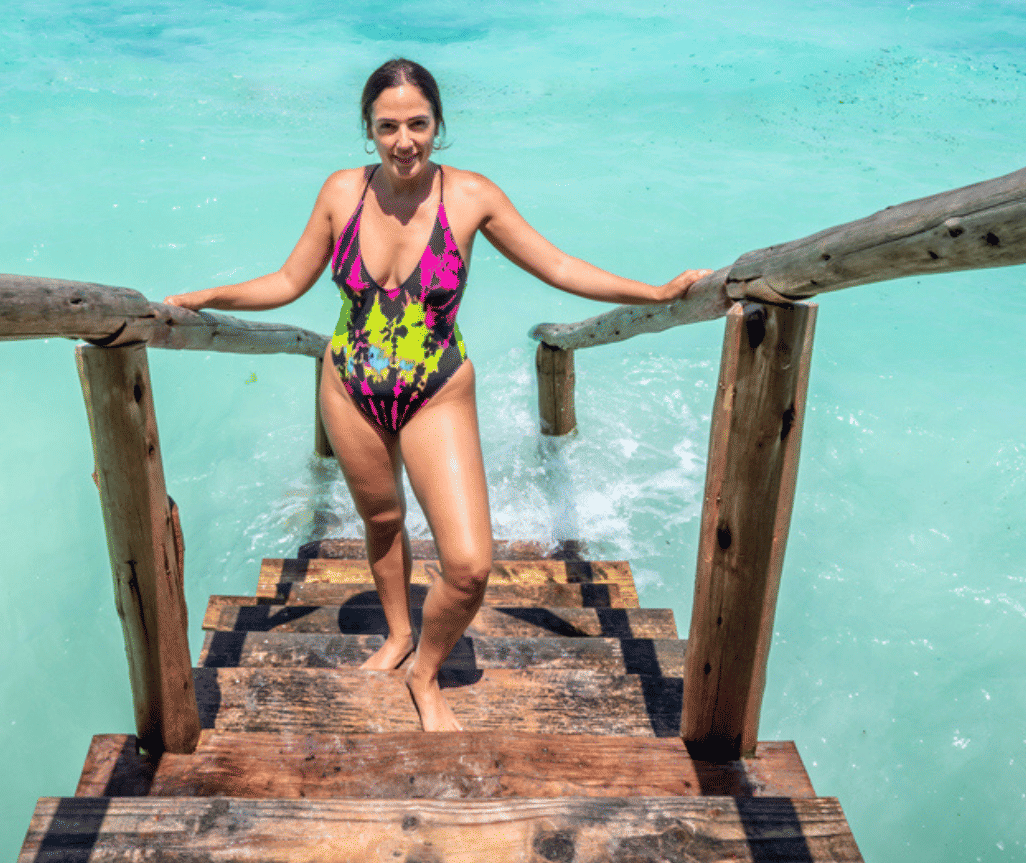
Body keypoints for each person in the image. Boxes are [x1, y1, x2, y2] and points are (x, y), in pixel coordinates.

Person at [165, 58, 708, 731]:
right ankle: (396, 634)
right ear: (367, 129)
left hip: (436, 391)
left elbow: (558, 264)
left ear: (439, 125)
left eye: (418, 124)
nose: (404, 141)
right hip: (349, 385)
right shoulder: (341, 192)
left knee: (470, 564)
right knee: (383, 522)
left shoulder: (472, 196)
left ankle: (425, 672)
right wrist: (206, 297)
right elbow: (286, 281)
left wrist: (653, 292)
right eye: (387, 126)